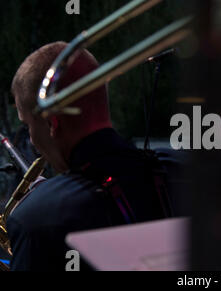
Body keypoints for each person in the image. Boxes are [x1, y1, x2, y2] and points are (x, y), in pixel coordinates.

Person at [7, 42, 168, 270]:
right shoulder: (189, 175)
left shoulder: (35, 218)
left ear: (52, 124)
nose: (32, 140)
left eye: (28, 126)